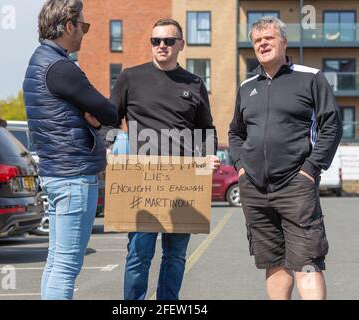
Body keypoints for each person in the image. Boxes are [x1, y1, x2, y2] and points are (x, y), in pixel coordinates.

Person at [101, 18, 219, 300]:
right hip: (142, 181)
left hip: (183, 182)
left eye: (168, 41)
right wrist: (109, 144)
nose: (162, 46)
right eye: (156, 41)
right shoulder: (130, 77)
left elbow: (206, 130)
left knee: (175, 256)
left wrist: (210, 155)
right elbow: (109, 119)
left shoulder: (194, 83)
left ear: (181, 44)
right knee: (139, 255)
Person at [228, 16, 342, 300]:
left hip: (296, 186)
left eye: (269, 38)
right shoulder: (247, 87)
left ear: (284, 42)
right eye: (257, 40)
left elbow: (332, 126)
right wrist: (241, 168)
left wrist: (310, 170)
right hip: (254, 189)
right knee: (273, 264)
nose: (262, 43)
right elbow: (235, 133)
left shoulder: (310, 77)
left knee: (306, 262)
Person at [22, 0, 118, 300]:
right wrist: (93, 116)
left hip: (57, 172)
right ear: (68, 26)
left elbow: (93, 110)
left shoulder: (40, 61)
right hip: (73, 174)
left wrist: (87, 114)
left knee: (56, 261)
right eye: (83, 26)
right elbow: (109, 111)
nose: (84, 33)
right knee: (66, 265)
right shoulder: (61, 67)